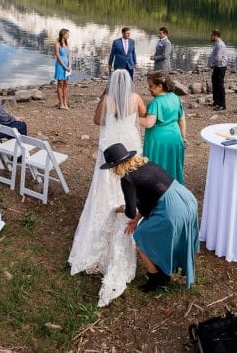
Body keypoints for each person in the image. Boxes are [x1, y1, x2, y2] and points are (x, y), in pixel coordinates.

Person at [68, 70, 147, 306]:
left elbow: (96, 121)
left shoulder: (106, 100)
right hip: (130, 143)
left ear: (111, 83)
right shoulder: (136, 98)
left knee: (103, 188)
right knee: (130, 183)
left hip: (111, 145)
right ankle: (132, 215)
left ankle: (101, 225)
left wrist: (106, 100)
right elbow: (142, 116)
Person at [103, 143, 199, 293]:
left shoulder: (127, 178)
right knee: (164, 235)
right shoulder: (147, 164)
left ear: (115, 167)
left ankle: (156, 279)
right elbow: (150, 200)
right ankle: (167, 266)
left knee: (141, 236)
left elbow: (130, 212)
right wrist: (136, 220)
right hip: (186, 199)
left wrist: (121, 209)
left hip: (172, 209)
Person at [139, 71, 186, 185]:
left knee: (157, 167)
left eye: (151, 86)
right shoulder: (175, 98)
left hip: (159, 142)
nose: (149, 89)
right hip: (175, 137)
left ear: (160, 86)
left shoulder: (156, 102)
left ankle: (157, 191)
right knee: (173, 166)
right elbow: (182, 118)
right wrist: (183, 137)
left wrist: (132, 118)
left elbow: (149, 123)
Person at [208, 29, 227, 111]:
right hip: (217, 66)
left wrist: (211, 64)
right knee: (215, 83)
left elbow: (218, 58)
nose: (210, 37)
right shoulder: (216, 43)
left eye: (211, 35)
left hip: (220, 67)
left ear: (215, 36)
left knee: (219, 85)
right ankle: (216, 101)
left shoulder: (219, 44)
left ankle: (222, 104)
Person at [53, 28, 71, 110]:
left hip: (67, 65)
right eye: (67, 34)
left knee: (66, 84)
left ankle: (65, 102)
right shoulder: (57, 44)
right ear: (63, 35)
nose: (68, 35)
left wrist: (69, 65)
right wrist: (64, 66)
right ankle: (60, 103)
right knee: (60, 83)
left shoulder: (67, 44)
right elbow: (58, 56)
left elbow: (69, 55)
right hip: (60, 65)